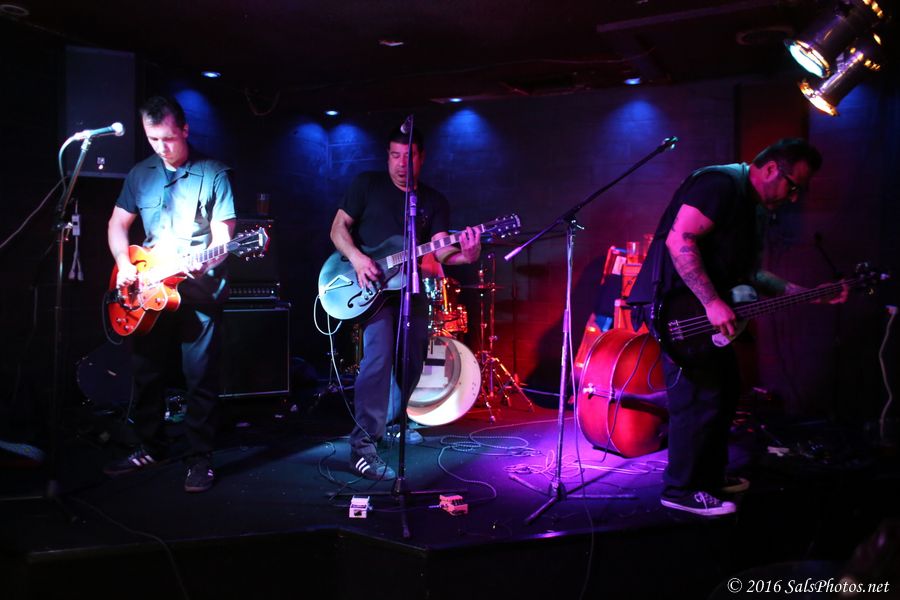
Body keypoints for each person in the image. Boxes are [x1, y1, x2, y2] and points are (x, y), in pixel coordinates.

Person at [629, 138, 846, 516]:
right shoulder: (720, 184)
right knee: (697, 397)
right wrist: (712, 302)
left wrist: (807, 294)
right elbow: (680, 239)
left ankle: (708, 477)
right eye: (793, 186)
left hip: (700, 307)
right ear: (771, 169)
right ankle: (681, 489)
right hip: (676, 306)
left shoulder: (752, 208)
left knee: (725, 392)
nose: (794, 197)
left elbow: (750, 274)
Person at [330, 126, 481, 480]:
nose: (401, 164)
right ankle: (362, 447)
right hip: (373, 290)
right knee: (378, 360)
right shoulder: (367, 185)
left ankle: (394, 422)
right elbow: (338, 229)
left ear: (420, 158)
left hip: (411, 292)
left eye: (408, 156)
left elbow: (442, 250)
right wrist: (358, 259)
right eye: (394, 156)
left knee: (413, 361)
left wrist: (467, 255)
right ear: (387, 156)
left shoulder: (432, 201)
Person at [104, 96, 236, 493]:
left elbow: (224, 238)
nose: (161, 147)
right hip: (147, 290)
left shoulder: (213, 173)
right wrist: (124, 264)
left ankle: (200, 458)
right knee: (146, 373)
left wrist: (206, 262)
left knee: (199, 379)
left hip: (198, 293)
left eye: (168, 138)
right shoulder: (139, 174)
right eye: (153, 139)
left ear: (185, 130)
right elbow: (117, 224)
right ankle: (150, 446)